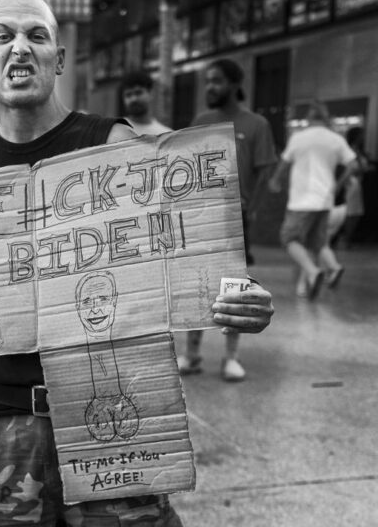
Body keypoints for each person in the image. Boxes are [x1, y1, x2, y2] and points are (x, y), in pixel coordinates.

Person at [0, 0, 274, 526]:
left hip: (116, 417)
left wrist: (242, 299)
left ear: (58, 57)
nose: (19, 46)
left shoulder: (112, 145)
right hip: (3, 425)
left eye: (36, 35)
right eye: (3, 36)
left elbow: (189, 247)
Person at [178, 58, 277, 382]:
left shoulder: (256, 124)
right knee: (197, 283)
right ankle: (191, 354)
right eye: (207, 81)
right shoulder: (202, 120)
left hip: (236, 219)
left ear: (235, 85)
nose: (210, 87)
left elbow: (265, 171)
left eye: (217, 81)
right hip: (201, 216)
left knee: (234, 287)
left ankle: (231, 357)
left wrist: (253, 208)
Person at [268, 100, 357, 301]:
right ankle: (334, 267)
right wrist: (338, 184)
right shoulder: (335, 139)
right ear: (325, 118)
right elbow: (353, 165)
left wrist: (275, 180)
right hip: (325, 199)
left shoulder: (299, 138)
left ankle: (312, 271)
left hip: (302, 200)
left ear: (309, 118)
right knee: (317, 242)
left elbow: (283, 164)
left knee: (288, 238)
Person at [119, 70, 172, 136]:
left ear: (151, 93)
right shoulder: (115, 129)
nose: (134, 99)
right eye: (128, 95)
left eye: (138, 92)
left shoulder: (165, 134)